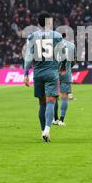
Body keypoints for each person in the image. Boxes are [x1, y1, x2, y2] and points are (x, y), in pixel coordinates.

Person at [23, 12, 66, 142]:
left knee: (41, 104)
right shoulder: (57, 36)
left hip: (38, 73)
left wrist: (25, 74)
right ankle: (47, 129)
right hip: (51, 72)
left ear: (39, 23)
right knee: (50, 102)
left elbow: (28, 57)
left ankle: (43, 131)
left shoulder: (32, 36)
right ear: (49, 23)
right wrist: (63, 66)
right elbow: (63, 53)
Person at [53, 33, 76, 126]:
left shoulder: (52, 46)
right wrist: (68, 68)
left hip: (54, 73)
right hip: (66, 73)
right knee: (65, 96)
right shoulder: (71, 45)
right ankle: (62, 120)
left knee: (53, 96)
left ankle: (55, 119)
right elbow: (74, 61)